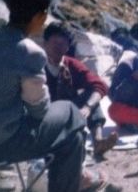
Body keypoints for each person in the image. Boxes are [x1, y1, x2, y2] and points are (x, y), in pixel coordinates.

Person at [0, 0, 105, 192]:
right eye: (45, 14)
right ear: (39, 16)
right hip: (1, 145)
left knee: (73, 136)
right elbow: (39, 110)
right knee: (71, 116)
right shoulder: (28, 51)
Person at [43, 22, 118, 158]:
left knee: (91, 95)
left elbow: (99, 85)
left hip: (69, 111)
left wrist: (88, 107)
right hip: (45, 114)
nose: (58, 47)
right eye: (54, 42)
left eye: (62, 44)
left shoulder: (71, 64)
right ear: (45, 44)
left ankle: (98, 141)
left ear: (67, 47)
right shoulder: (37, 64)